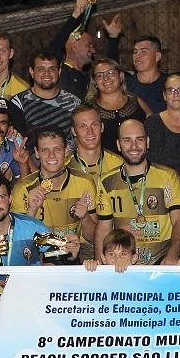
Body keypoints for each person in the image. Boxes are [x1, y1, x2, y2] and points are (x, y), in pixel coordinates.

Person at [0, 172, 77, 345]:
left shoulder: (32, 226)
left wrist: (70, 255)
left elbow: (56, 260)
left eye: (1, 197)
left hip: (31, 293)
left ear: (9, 198)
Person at [93, 119, 180, 266]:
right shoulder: (107, 182)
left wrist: (173, 255)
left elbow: (179, 220)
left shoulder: (167, 177)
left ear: (147, 142)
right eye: (127, 140)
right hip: (123, 265)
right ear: (119, 144)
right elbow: (103, 228)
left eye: (139, 139)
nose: (134, 146)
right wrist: (101, 264)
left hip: (161, 262)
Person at [11, 126, 98, 259]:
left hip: (76, 255)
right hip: (38, 258)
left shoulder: (85, 183)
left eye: (57, 149)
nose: (51, 156)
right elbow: (18, 244)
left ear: (66, 151)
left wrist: (85, 217)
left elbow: (93, 238)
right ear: (37, 153)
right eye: (45, 150)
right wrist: (31, 211)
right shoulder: (23, 188)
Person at [66, 105, 124, 258]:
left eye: (94, 125)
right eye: (83, 126)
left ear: (102, 127)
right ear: (74, 131)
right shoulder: (64, 167)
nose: (90, 132)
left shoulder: (119, 165)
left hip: (115, 245)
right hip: (77, 245)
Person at [49, 0, 122, 99]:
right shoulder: (58, 71)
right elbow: (52, 49)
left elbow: (111, 68)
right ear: (74, 46)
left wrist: (113, 38)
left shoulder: (89, 77)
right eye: (89, 45)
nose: (93, 50)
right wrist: (75, 15)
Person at [142, 73, 180, 206]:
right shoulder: (151, 124)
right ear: (164, 95)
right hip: (159, 196)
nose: (176, 94)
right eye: (170, 90)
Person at [8, 51, 83, 143]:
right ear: (32, 72)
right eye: (40, 69)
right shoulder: (18, 103)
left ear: (59, 72)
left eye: (52, 69)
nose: (47, 73)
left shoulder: (74, 103)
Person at [86, 57, 152, 151]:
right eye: (99, 75)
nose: (106, 78)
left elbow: (154, 132)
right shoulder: (89, 109)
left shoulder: (138, 103)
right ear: (95, 82)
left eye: (110, 73)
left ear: (121, 76)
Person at [124, 35, 167, 114]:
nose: (138, 55)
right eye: (135, 52)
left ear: (157, 56)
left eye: (143, 52)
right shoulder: (125, 85)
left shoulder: (170, 85)